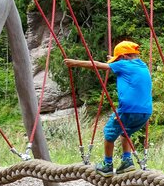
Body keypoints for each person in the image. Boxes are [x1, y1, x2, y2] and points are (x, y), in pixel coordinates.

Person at [64, 40, 153, 177]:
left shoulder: (123, 64)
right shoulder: (142, 65)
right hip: (145, 112)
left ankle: (107, 165)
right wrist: (114, 60)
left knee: (109, 133)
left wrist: (74, 63)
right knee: (125, 132)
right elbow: (119, 64)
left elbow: (98, 65)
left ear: (123, 57)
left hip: (128, 110)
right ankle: (127, 161)